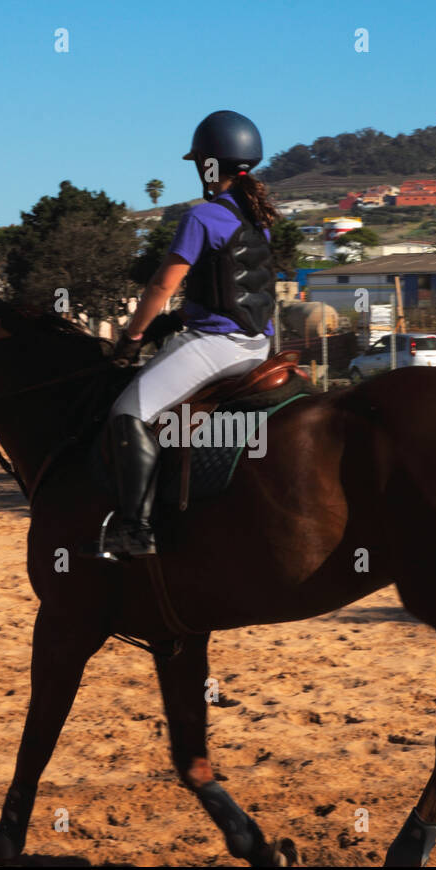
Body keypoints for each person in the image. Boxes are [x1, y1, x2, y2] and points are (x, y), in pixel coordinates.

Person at [92, 110, 278, 560]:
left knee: (128, 412)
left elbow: (161, 285)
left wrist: (132, 338)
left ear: (206, 165)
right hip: (261, 346)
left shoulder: (202, 217)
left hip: (219, 347)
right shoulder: (259, 218)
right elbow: (232, 287)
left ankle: (135, 530)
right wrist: (176, 322)